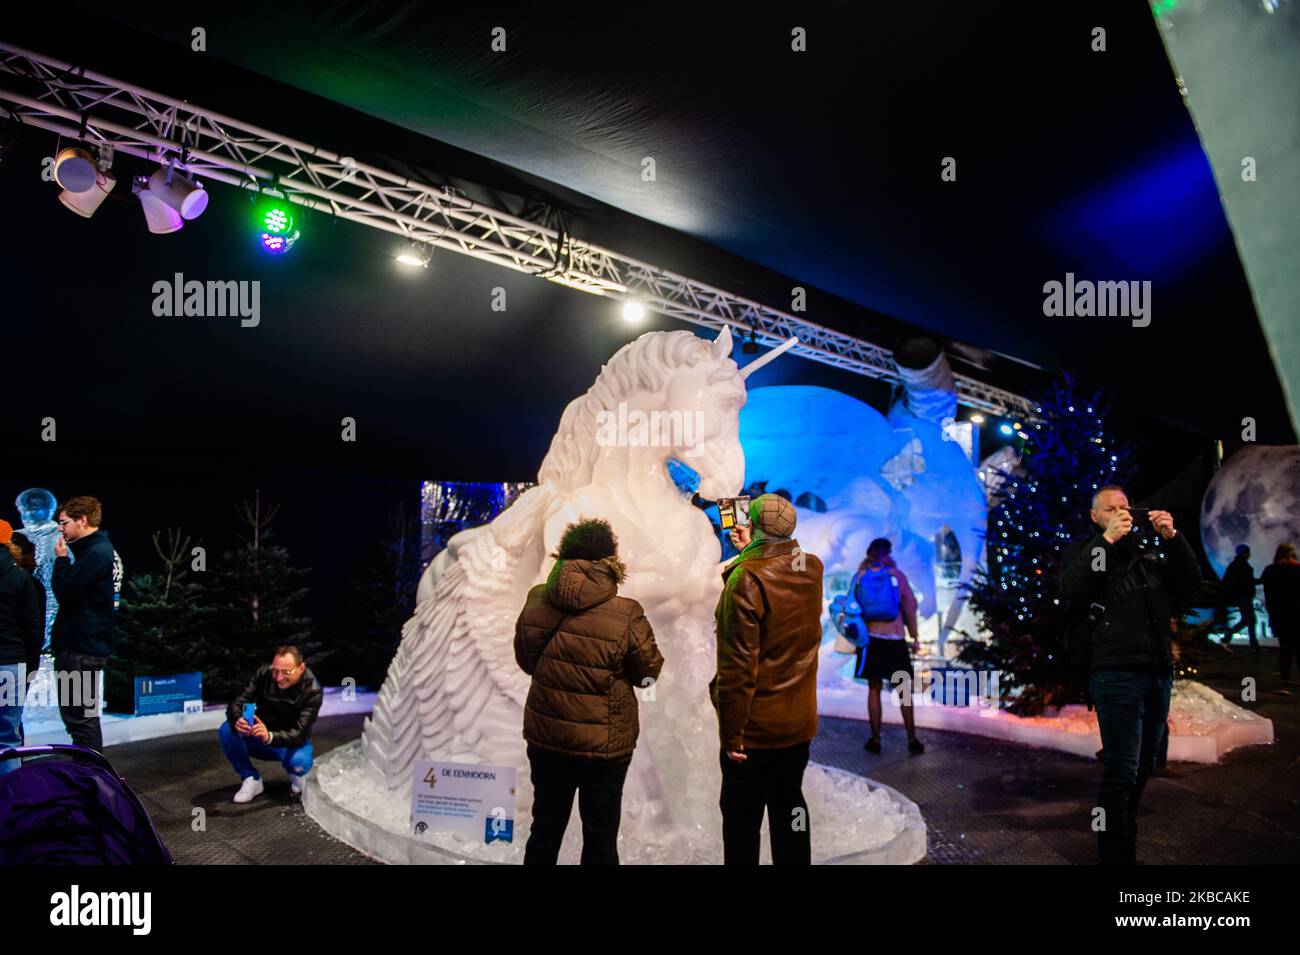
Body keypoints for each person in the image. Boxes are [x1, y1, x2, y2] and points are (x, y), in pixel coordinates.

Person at [1060, 486, 1200, 865]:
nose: (1121, 514)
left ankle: (1122, 841)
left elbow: (1190, 584)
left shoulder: (1149, 552)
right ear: (1095, 516)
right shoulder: (1089, 550)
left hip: (1157, 672)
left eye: (1126, 508)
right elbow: (1072, 589)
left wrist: (1174, 538)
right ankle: (1115, 855)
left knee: (1142, 766)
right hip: (1114, 672)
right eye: (1111, 509)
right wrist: (1106, 541)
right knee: (1121, 769)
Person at [514, 518, 663, 865]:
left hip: (547, 738)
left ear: (564, 554)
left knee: (545, 829)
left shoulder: (538, 599)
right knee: (600, 836)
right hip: (604, 746)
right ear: (610, 560)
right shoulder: (626, 613)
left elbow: (526, 660)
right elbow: (647, 676)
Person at [711, 493, 824, 865]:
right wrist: (754, 548)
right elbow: (783, 564)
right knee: (790, 809)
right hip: (797, 724)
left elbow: (739, 668)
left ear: (755, 526)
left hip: (755, 731)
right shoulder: (811, 567)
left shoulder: (746, 579)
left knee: (743, 823)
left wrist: (732, 734)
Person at [50, 496, 117, 752]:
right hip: (83, 648)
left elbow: (66, 594)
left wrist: (61, 560)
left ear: (83, 520)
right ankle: (91, 777)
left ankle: (92, 780)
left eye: (64, 522)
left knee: (80, 721)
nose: (60, 528)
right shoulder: (96, 550)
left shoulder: (96, 553)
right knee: (81, 719)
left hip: (80, 650)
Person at [849, 537, 923, 756]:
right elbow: (909, 606)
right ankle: (912, 739)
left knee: (874, 689)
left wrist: (855, 640)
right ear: (887, 553)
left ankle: (875, 738)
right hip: (895, 640)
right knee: (904, 691)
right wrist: (915, 636)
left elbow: (851, 609)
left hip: (870, 641)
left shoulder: (859, 576)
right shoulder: (896, 576)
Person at [220, 646, 323, 803]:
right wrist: (237, 720)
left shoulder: (313, 690)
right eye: (275, 671)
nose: (279, 678)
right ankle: (251, 779)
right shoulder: (263, 673)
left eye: (286, 672)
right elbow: (238, 702)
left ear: (301, 668)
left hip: (289, 741)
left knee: (299, 762)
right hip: (260, 734)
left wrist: (269, 737)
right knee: (227, 730)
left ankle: (295, 773)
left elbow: (300, 733)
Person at [0, 521, 43, 775]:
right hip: (11, 665)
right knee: (7, 739)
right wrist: (31, 665)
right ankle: (11, 805)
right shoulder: (20, 578)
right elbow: (32, 629)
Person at [1260, 543, 1300, 694]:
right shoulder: (1297, 570)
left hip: (1280, 617)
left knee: (1285, 650)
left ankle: (1286, 685)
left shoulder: (1270, 571)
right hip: (1297, 615)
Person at [1219, 544, 1261, 652]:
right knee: (1247, 620)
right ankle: (1226, 638)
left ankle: (1254, 645)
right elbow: (1247, 582)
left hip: (1242, 596)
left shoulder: (1235, 565)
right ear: (1246, 553)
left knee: (1249, 620)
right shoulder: (1242, 566)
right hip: (1244, 596)